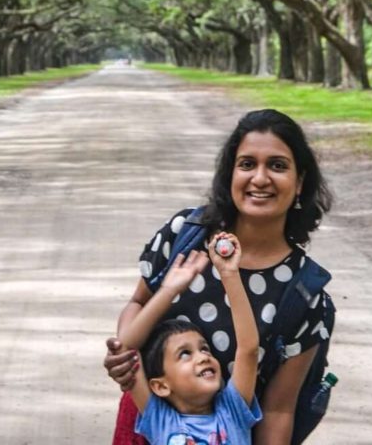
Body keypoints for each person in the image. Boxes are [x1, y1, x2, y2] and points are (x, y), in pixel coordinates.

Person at [104, 109, 333, 445]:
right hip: (147, 425)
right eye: (247, 164)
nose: (260, 178)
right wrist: (125, 358)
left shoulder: (304, 293)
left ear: (299, 182)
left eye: (278, 165)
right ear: (230, 174)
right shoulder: (185, 234)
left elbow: (279, 411)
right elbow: (138, 302)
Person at [121, 233, 261, 445]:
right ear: (161, 386)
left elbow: (248, 350)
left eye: (204, 349)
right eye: (185, 353)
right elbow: (127, 349)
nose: (203, 357)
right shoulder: (160, 419)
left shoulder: (233, 411)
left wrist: (229, 274)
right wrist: (169, 290)